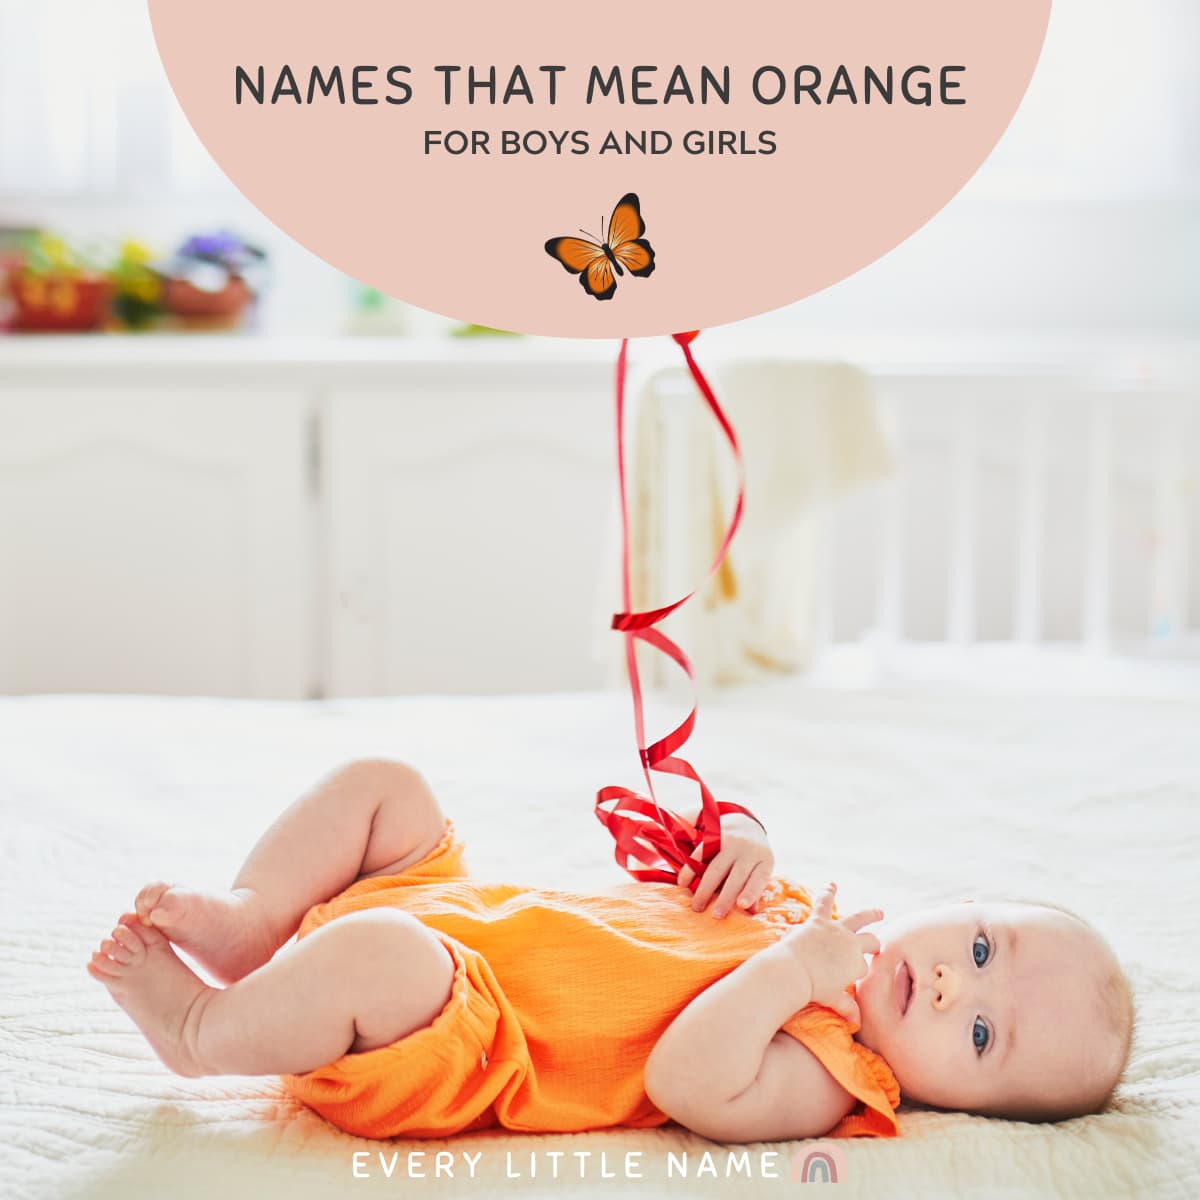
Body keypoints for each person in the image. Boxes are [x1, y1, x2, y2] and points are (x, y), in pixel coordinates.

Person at [87, 759, 1134, 1142]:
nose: (955, 983)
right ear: (959, 905)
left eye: (983, 1032)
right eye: (984, 946)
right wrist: (742, 844)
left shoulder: (829, 1074)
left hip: (464, 1026)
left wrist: (786, 975)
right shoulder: (808, 920)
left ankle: (200, 1028)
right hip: (465, 914)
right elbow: (681, 873)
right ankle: (254, 921)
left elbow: (690, 1077)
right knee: (386, 787)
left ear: (959, 1103)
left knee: (382, 954)